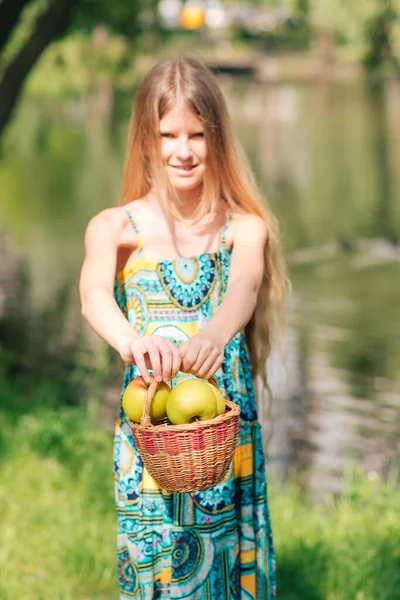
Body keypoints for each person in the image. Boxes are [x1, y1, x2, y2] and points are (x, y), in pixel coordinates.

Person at [80, 55, 287, 600]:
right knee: (159, 573)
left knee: (225, 576)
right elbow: (93, 294)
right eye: (168, 134)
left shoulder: (244, 228)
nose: (183, 150)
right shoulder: (114, 228)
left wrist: (215, 334)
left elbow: (243, 287)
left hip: (223, 437)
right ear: (146, 140)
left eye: (197, 134)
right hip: (152, 442)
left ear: (216, 138)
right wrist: (129, 339)